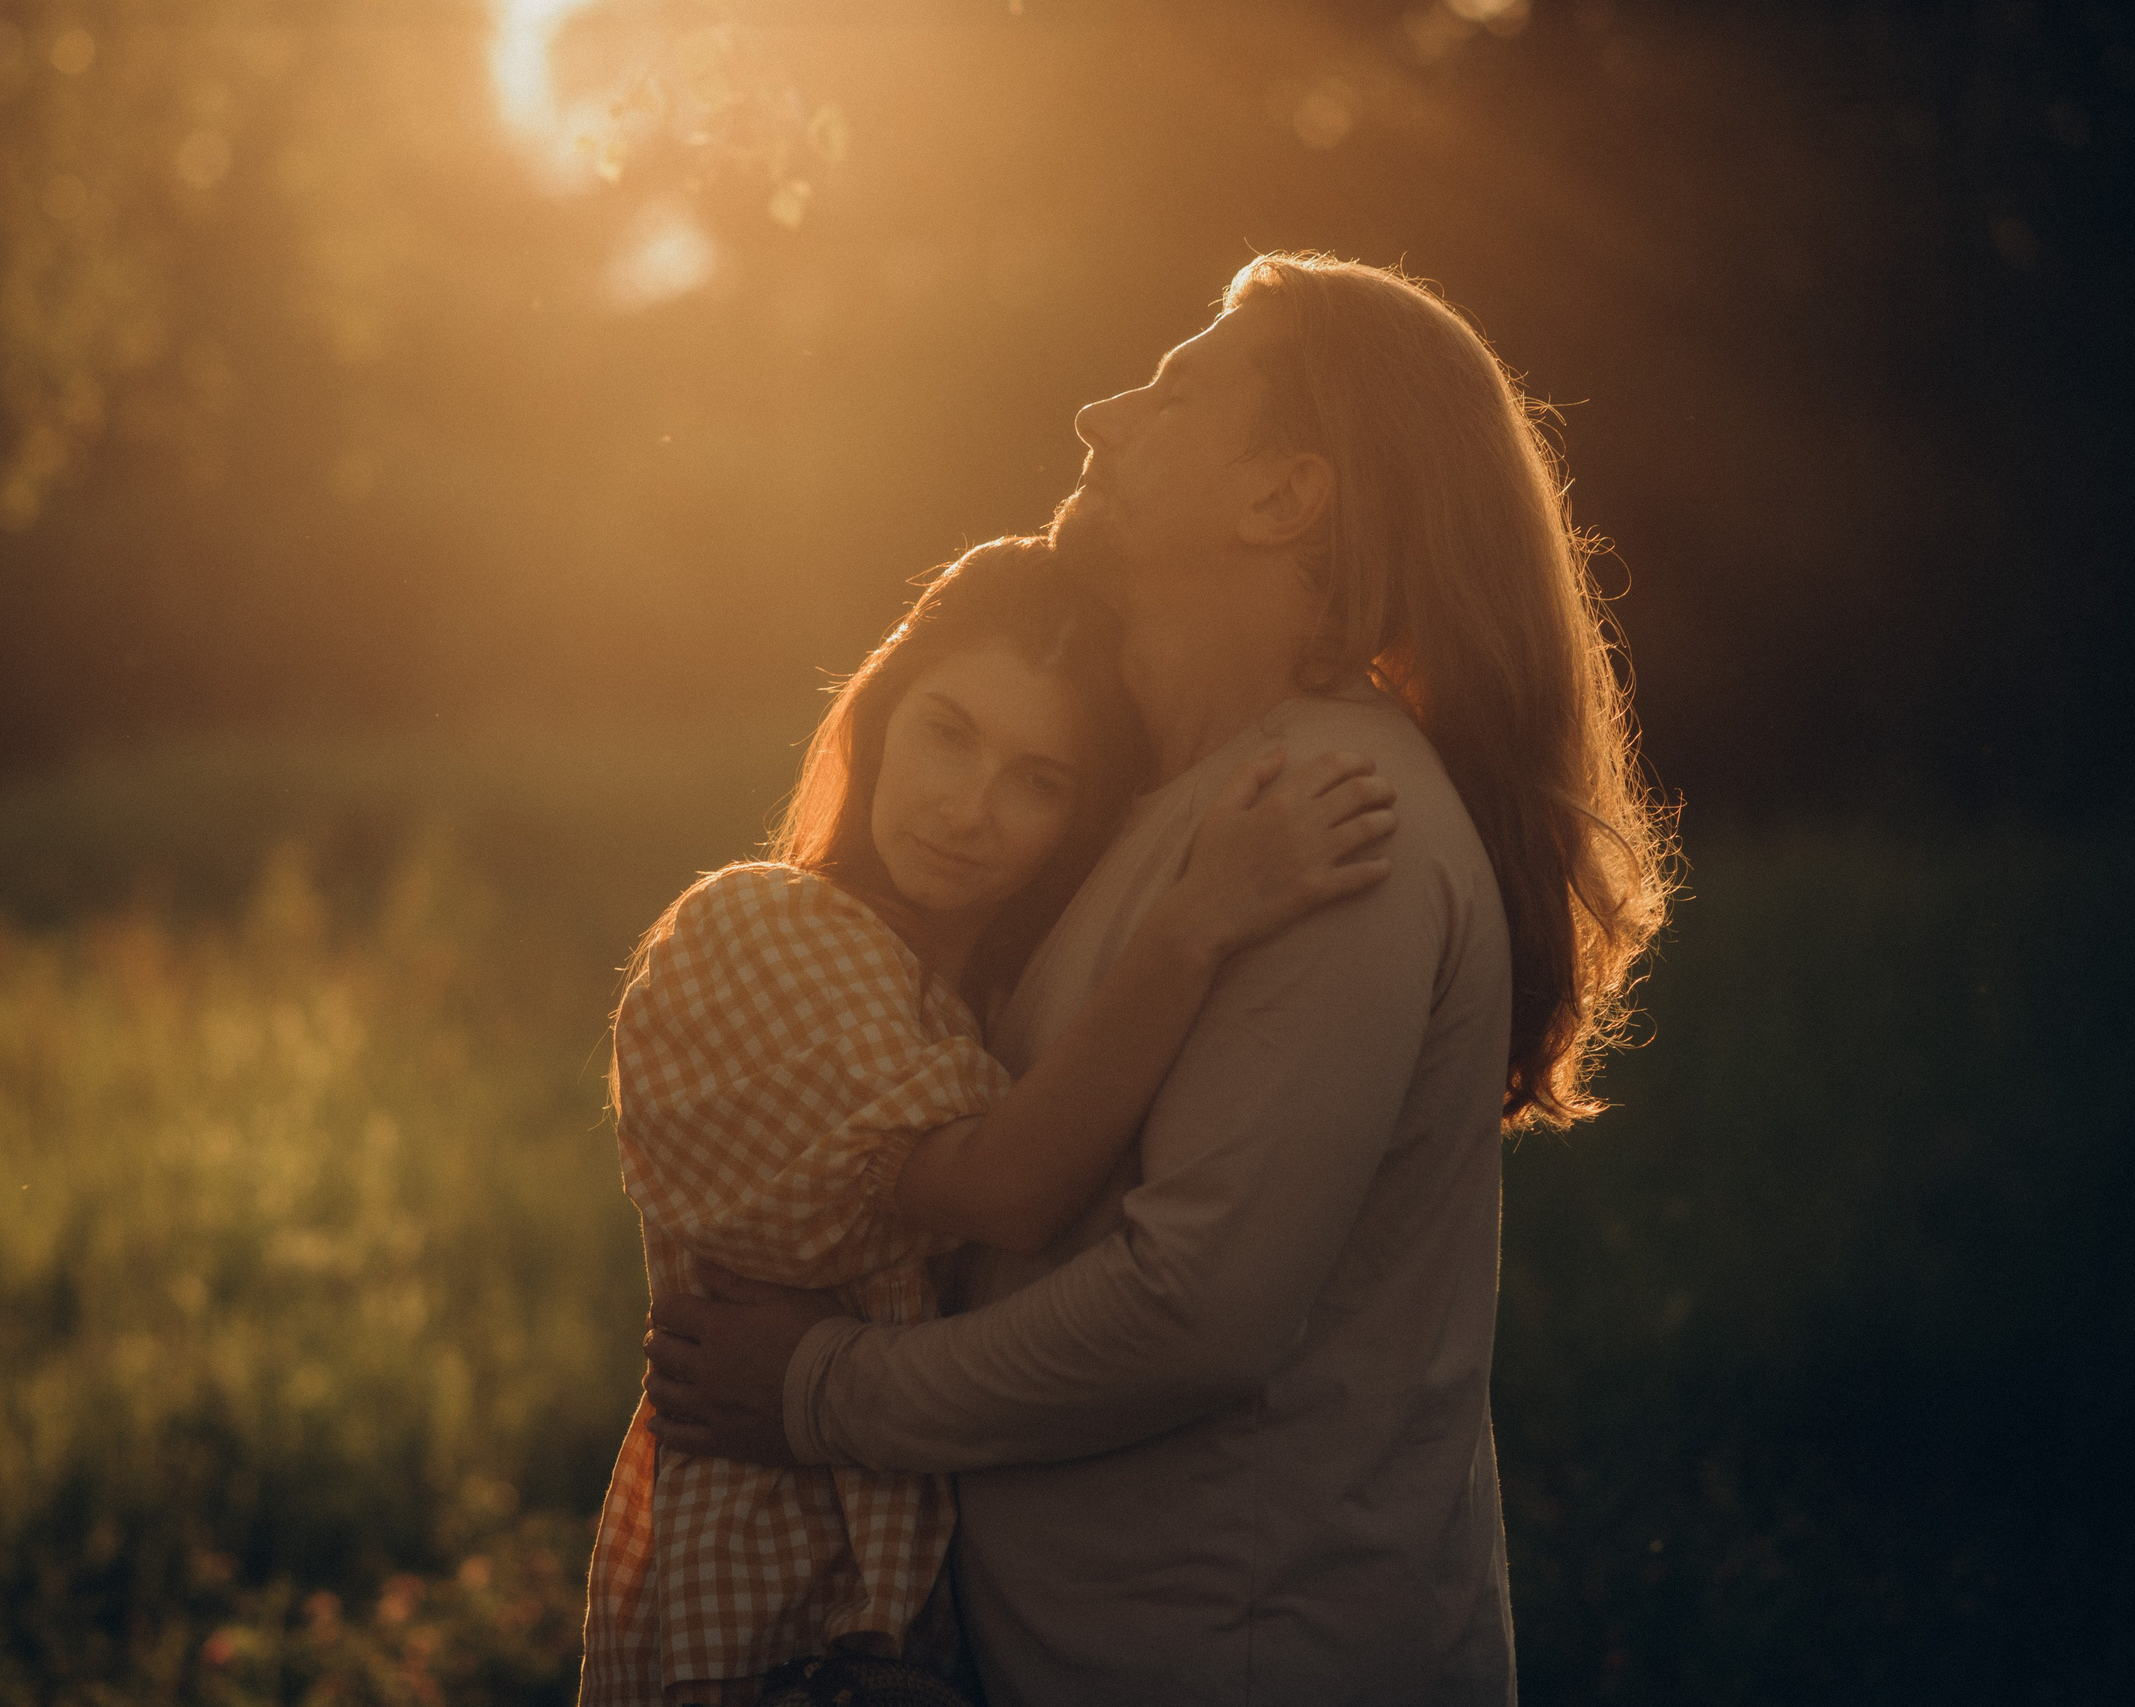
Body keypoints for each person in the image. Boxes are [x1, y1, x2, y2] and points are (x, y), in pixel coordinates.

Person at [640, 254, 1676, 1706]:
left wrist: (819, 1391)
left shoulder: (1332, 821)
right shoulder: (1182, 798)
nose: (1098, 415)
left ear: (1281, 497)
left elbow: (1191, 1309)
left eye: (1175, 392)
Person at [578, 536, 1403, 1707]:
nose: (967, 811)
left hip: (934, 1632)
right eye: (946, 733)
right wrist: (1199, 917)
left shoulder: (997, 1008)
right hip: (781, 1625)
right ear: (881, 718)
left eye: (1037, 781)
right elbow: (1000, 1188)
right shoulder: (759, 928)